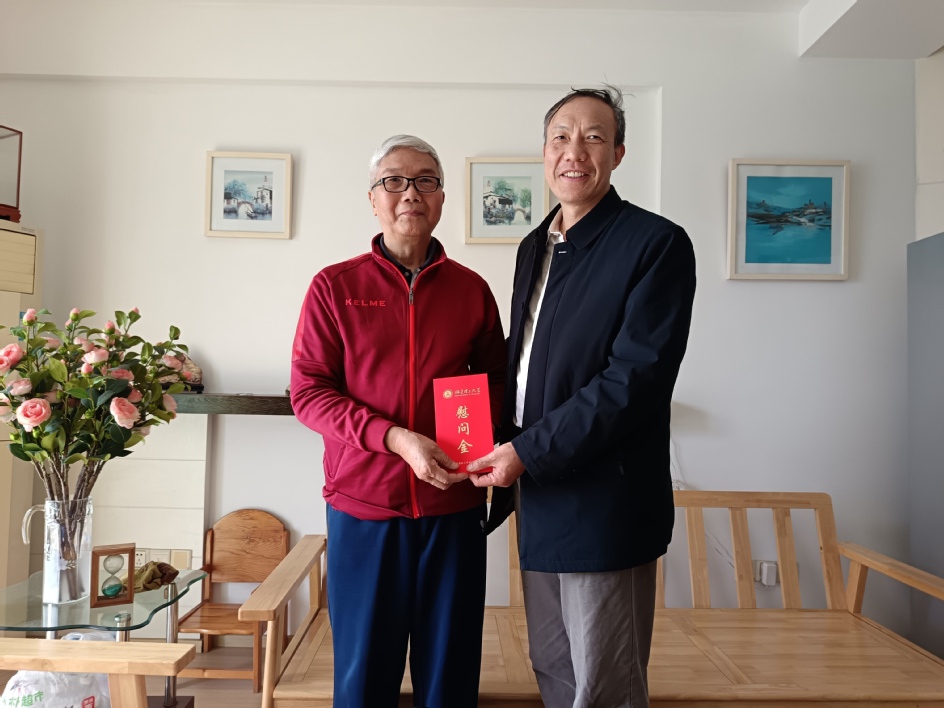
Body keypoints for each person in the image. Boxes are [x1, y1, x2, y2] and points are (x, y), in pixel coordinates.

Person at [467, 86, 697, 707]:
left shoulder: (655, 243)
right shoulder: (534, 246)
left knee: (603, 684)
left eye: (594, 137)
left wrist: (526, 452)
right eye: (561, 137)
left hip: (605, 499)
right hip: (537, 491)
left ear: (617, 153)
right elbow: (524, 359)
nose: (575, 151)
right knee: (553, 666)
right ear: (544, 152)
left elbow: (635, 379)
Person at [290, 134, 506, 708]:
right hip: (364, 508)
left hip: (453, 509)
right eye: (394, 181)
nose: (410, 192)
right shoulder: (335, 287)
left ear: (441, 198)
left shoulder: (472, 291)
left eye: (425, 181)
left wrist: (484, 453)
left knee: (450, 678)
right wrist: (393, 438)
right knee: (364, 679)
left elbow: (497, 387)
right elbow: (309, 393)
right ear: (373, 198)